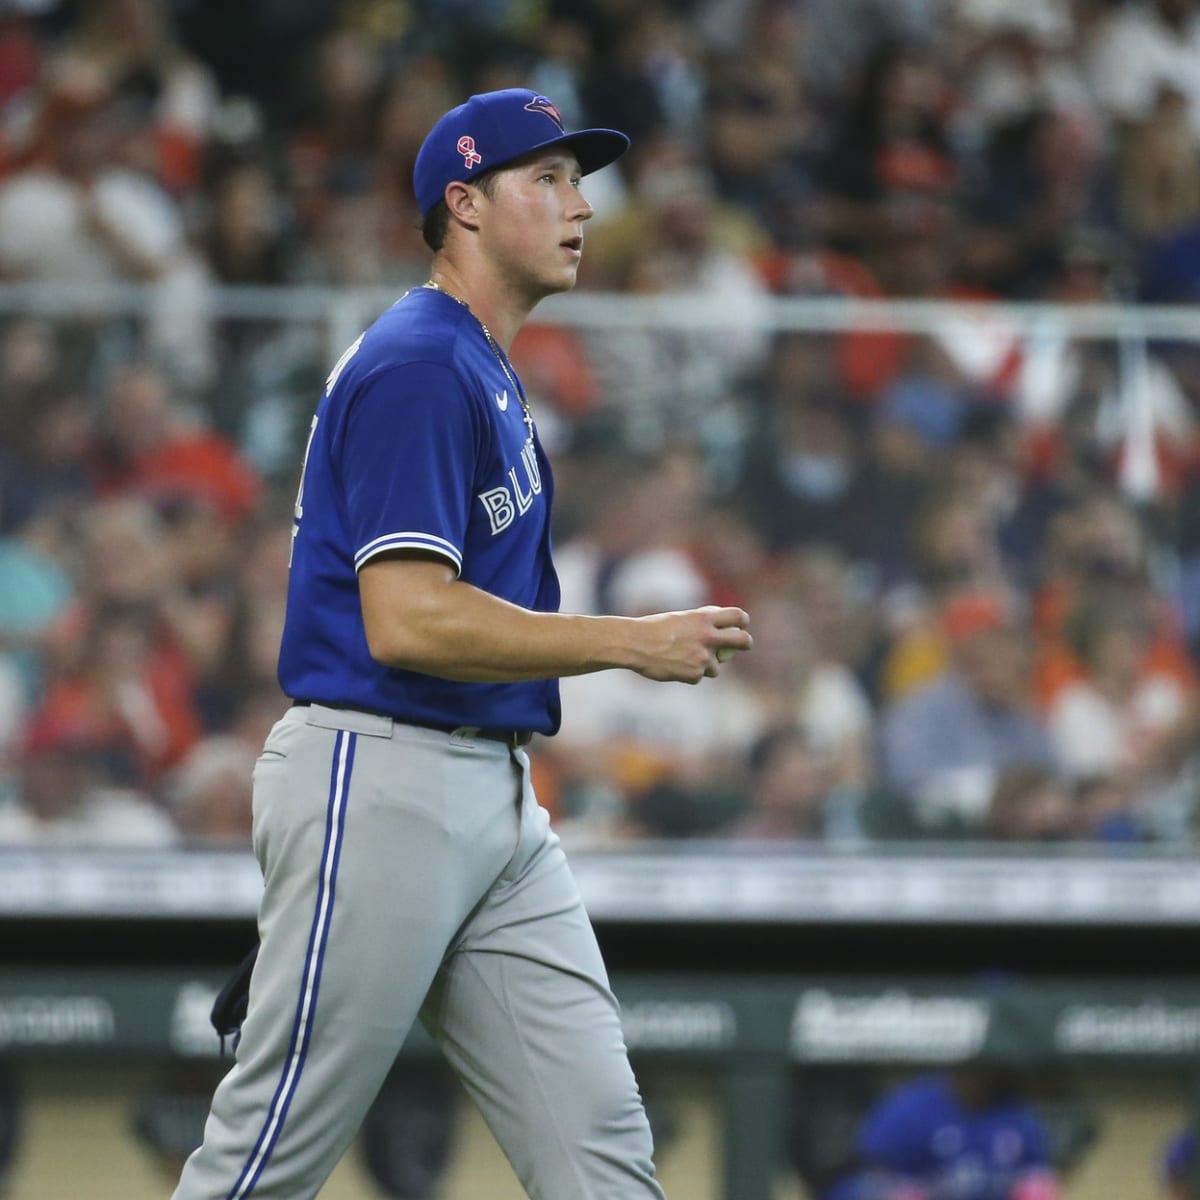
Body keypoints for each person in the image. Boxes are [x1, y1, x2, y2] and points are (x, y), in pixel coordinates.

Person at [170, 87, 752, 1200]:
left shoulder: (477, 363)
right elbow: (408, 618)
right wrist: (628, 643)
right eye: (549, 179)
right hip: (381, 772)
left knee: (600, 1148)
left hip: (486, 795)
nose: (581, 205)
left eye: (580, 181)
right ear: (466, 204)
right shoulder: (423, 364)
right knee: (266, 1160)